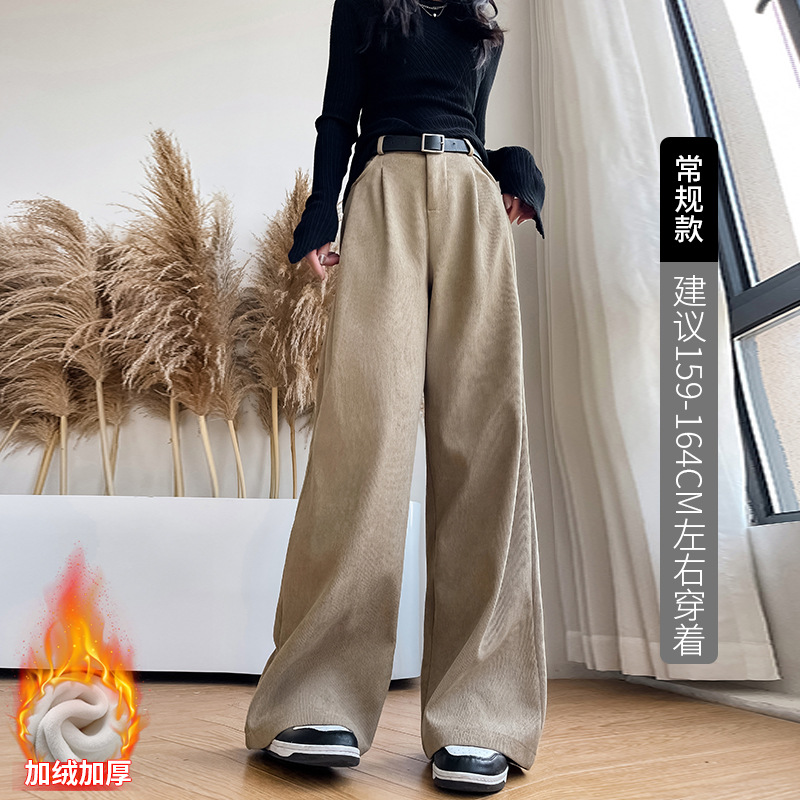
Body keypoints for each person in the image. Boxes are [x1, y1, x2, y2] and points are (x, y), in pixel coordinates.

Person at [245, 0, 547, 793]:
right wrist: (320, 211)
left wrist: (513, 169)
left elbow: (470, 125)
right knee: (365, 437)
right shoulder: (368, 4)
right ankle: (315, 698)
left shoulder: (480, 15)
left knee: (485, 444)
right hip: (383, 193)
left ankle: (481, 716)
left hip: (472, 205)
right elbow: (338, 117)